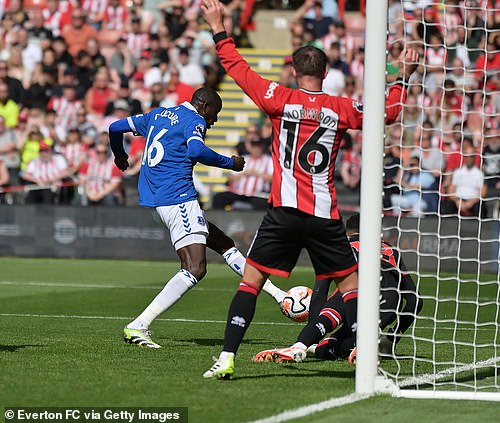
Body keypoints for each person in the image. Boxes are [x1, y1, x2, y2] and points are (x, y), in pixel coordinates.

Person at [200, 0, 419, 380]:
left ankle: (226, 359)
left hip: (283, 211)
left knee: (251, 283)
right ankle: (364, 351)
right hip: (323, 214)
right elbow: (389, 113)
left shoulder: (277, 98)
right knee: (351, 286)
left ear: (293, 69)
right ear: (326, 71)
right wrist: (403, 76)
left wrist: (219, 27)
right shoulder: (341, 107)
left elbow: (236, 68)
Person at [108, 87, 247, 348]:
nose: (214, 121)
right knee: (195, 267)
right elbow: (196, 151)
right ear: (204, 107)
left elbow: (115, 127)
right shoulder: (193, 120)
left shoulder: (158, 114)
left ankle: (279, 296)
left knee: (223, 243)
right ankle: (139, 325)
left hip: (156, 201)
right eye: (214, 114)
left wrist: (120, 155)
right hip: (178, 198)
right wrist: (231, 163)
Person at [253, 214, 422, 364]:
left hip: (359, 284)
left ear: (347, 233)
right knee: (328, 349)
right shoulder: (392, 251)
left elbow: (320, 291)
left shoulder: (339, 246)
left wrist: (312, 332)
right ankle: (363, 346)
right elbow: (415, 301)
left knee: (331, 317)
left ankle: (299, 346)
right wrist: (393, 337)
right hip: (391, 299)